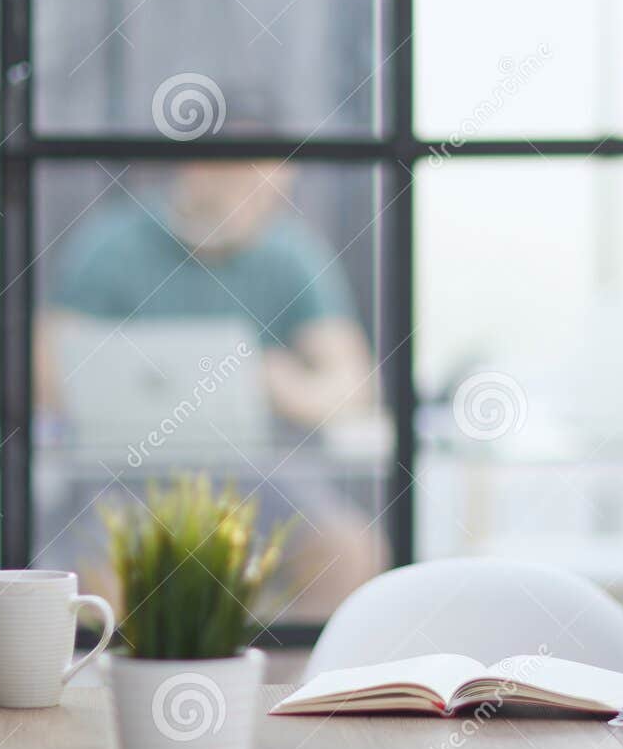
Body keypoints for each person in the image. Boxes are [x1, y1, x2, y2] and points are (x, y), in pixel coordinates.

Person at [37, 109, 387, 618]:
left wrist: (282, 384)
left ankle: (277, 688)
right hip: (126, 474)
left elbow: (354, 386)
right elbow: (44, 375)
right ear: (196, 171)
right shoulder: (111, 247)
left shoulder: (288, 253)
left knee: (349, 553)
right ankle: (141, 694)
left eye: (274, 195)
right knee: (98, 571)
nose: (263, 209)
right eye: (248, 192)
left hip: (258, 476)